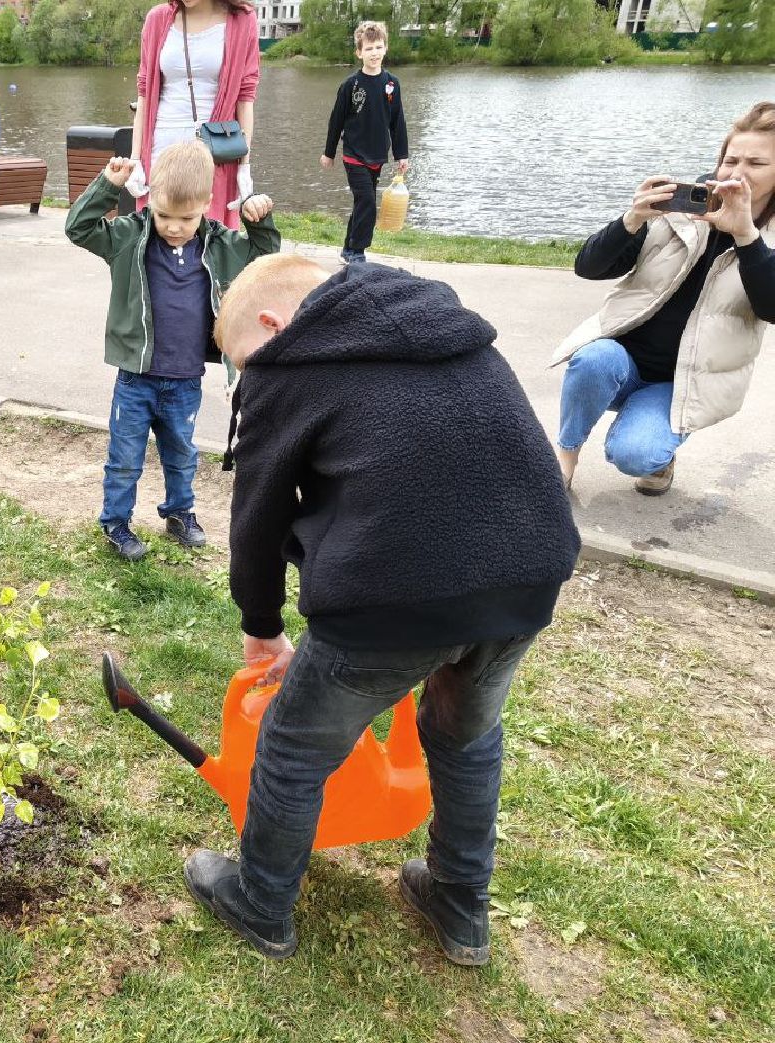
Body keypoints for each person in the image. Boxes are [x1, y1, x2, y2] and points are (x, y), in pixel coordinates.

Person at [182, 252, 580, 965]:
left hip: (395, 593)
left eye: (244, 362)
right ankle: (461, 908)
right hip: (528, 574)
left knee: (295, 747)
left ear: (274, 323)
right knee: (464, 734)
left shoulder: (292, 362)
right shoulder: (441, 324)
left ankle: (261, 902)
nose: (250, 378)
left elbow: (258, 517)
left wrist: (262, 629)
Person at [66, 140, 280, 561]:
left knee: (182, 454)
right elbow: (80, 228)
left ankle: (180, 513)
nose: (175, 226)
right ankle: (116, 522)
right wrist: (108, 187)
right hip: (136, 379)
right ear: (149, 201)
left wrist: (259, 216)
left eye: (186, 217)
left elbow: (263, 255)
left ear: (207, 204)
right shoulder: (129, 238)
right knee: (125, 457)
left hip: (185, 380)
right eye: (164, 215)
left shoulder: (219, 245)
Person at [552, 101, 775, 496]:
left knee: (634, 454)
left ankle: (659, 448)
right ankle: (565, 459)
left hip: (684, 382)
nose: (737, 174)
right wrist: (631, 219)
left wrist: (746, 236)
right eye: (731, 160)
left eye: (756, 164)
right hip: (622, 359)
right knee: (593, 358)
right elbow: (588, 267)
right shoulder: (681, 207)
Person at [127, 0, 261, 230]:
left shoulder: (242, 21)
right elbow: (144, 94)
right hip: (162, 144)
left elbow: (245, 96)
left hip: (215, 148)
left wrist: (244, 165)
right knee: (160, 229)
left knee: (208, 232)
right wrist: (135, 159)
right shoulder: (157, 19)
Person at [321, 20, 409, 265]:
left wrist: (402, 154)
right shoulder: (351, 85)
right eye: (369, 48)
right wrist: (329, 153)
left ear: (385, 48)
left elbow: (398, 121)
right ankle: (358, 253)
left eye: (378, 47)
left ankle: (348, 249)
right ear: (359, 52)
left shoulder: (392, 84)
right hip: (354, 154)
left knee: (362, 202)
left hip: (377, 155)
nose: (374, 53)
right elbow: (335, 121)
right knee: (368, 201)